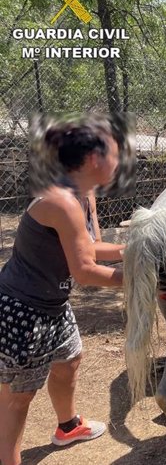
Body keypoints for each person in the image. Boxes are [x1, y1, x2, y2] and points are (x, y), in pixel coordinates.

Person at [0, 113, 128, 465]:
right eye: (115, 154)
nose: (119, 162)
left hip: (53, 304)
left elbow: (88, 247)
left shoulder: (85, 195)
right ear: (92, 158)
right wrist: (140, 277)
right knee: (17, 398)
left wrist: (132, 252)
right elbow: (85, 271)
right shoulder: (60, 201)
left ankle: (67, 426)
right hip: (21, 311)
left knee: (69, 360)